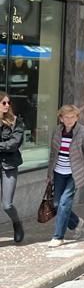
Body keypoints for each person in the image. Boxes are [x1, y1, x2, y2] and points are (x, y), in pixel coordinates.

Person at [45, 105, 84, 248]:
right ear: (61, 118)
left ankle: (58, 237)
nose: (69, 120)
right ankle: (75, 222)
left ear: (77, 117)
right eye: (66, 117)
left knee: (64, 203)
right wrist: (50, 174)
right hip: (58, 172)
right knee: (56, 205)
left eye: (72, 117)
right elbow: (52, 155)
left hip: (75, 175)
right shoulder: (57, 131)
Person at [0, 92, 25, 243]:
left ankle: (17, 224)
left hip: (9, 166)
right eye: (3, 103)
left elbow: (13, 145)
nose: (7, 105)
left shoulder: (17, 122)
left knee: (7, 205)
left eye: (8, 102)